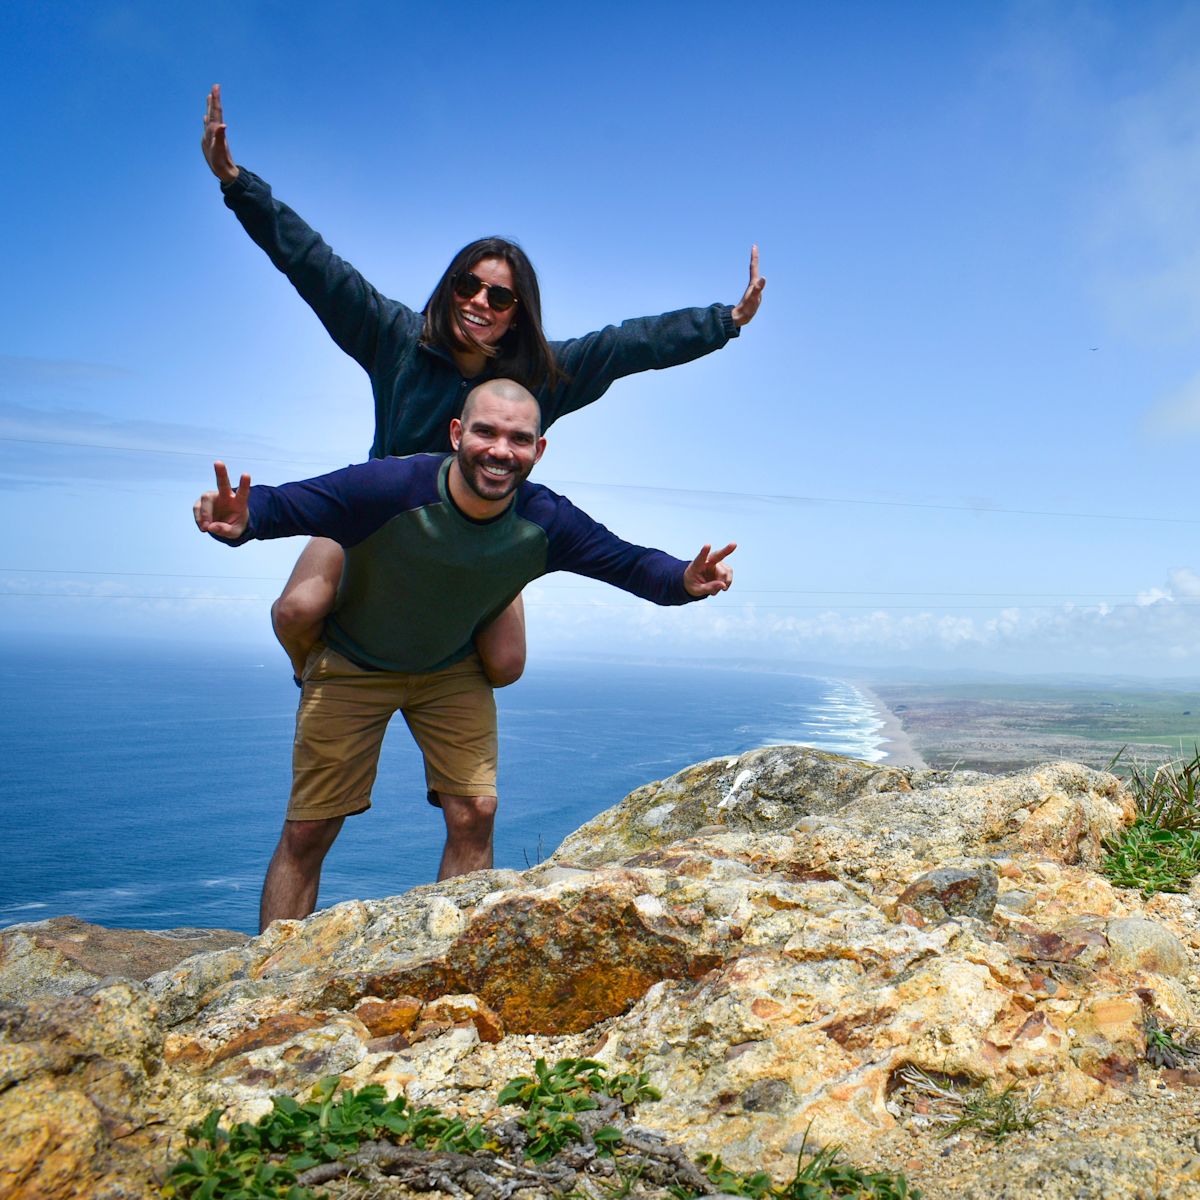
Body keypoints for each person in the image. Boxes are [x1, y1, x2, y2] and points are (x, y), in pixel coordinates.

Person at [201, 84, 763, 688]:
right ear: (450, 288)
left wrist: (723, 322)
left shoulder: (540, 377)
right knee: (297, 611)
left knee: (505, 664)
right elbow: (315, 267)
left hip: (484, 534)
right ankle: (313, 669)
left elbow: (629, 344)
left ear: (516, 312)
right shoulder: (395, 339)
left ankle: (445, 684)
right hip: (380, 520)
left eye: (498, 296)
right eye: (467, 287)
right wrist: (237, 183)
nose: (478, 303)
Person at [195, 379, 734, 931]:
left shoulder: (547, 518)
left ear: (539, 450)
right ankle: (266, 976)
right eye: (486, 432)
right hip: (353, 662)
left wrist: (683, 580)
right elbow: (290, 503)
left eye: (519, 439)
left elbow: (628, 562)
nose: (501, 451)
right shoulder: (391, 486)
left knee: (475, 812)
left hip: (451, 668)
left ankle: (448, 954)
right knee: (310, 828)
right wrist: (244, 520)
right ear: (457, 434)